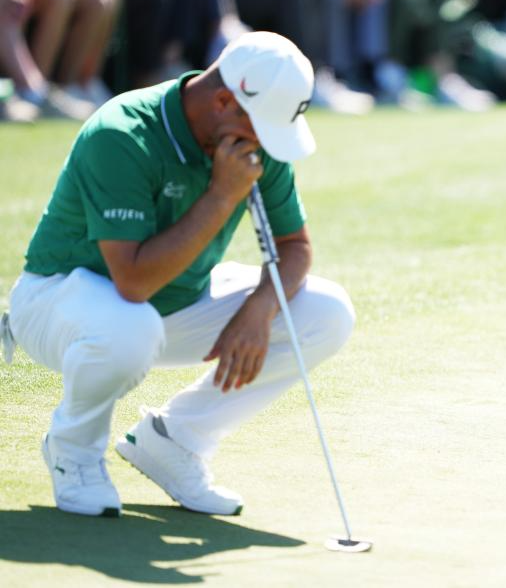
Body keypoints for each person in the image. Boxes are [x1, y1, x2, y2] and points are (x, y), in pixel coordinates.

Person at [1, 32, 356, 516]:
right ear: (224, 101)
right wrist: (221, 196)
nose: (264, 143)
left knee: (325, 313)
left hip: (169, 306)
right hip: (59, 304)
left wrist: (259, 309)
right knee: (131, 325)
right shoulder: (122, 132)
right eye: (261, 127)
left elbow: (294, 247)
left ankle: (174, 438)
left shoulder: (252, 137)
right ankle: (75, 452)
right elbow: (133, 282)